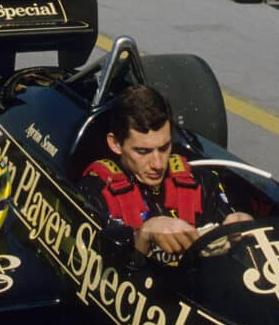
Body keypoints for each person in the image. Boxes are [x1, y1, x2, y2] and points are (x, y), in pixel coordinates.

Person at [79, 85, 248, 264]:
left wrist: (244, 227)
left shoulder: (200, 181)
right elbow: (92, 266)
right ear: (116, 144)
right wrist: (143, 235)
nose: (158, 164)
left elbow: (231, 233)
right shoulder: (94, 194)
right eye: (143, 151)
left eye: (164, 148)